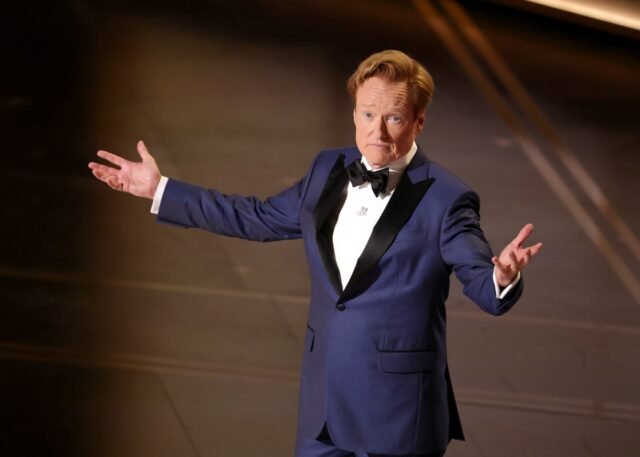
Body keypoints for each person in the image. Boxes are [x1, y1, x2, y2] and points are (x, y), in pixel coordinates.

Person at [88, 50, 542, 457]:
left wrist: (503, 276)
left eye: (394, 118)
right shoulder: (328, 168)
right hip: (322, 411)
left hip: (399, 418)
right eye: (368, 114)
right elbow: (257, 217)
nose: (377, 131)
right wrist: (160, 190)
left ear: (418, 121)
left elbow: (483, 284)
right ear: (354, 113)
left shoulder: (447, 198)